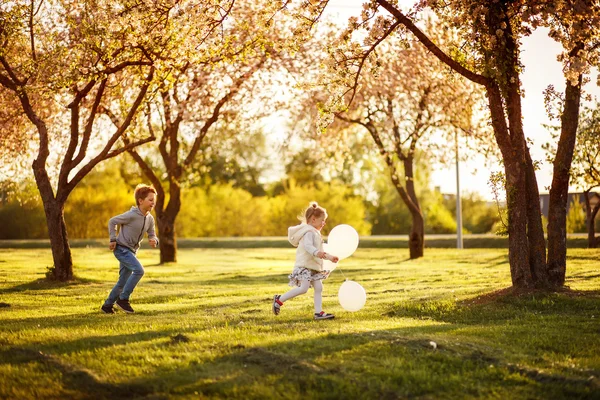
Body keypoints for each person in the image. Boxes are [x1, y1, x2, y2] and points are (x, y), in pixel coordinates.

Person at [272, 202, 339, 320]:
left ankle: (318, 312)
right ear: (313, 220)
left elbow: (320, 250)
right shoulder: (309, 232)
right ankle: (279, 299)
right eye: (322, 220)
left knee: (319, 288)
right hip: (304, 266)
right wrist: (317, 253)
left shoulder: (316, 233)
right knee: (303, 288)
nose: (324, 223)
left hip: (313, 267)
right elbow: (308, 247)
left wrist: (330, 257)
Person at [101, 184, 159, 314]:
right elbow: (112, 221)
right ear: (140, 201)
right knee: (139, 270)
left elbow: (152, 234)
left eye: (154, 201)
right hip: (121, 249)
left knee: (122, 281)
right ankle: (123, 299)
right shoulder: (131, 215)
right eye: (150, 200)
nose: (153, 203)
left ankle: (107, 305)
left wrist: (154, 240)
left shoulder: (149, 218)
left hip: (132, 252)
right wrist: (112, 239)